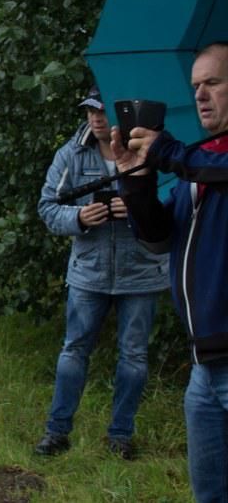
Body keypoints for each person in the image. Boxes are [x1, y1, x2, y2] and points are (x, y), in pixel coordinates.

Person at [113, 42, 228, 497]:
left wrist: (174, 155)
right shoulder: (201, 164)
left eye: (213, 83)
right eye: (195, 85)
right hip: (205, 366)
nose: (200, 94)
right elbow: (160, 237)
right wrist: (136, 182)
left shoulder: (204, 163)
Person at [34, 86, 168, 460]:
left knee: (134, 357)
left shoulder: (150, 151)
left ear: (123, 113)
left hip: (142, 271)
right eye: (89, 110)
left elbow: (173, 208)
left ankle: (120, 436)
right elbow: (47, 207)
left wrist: (140, 209)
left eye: (103, 110)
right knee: (74, 351)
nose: (95, 118)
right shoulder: (71, 155)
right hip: (88, 273)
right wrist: (77, 217)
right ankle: (56, 432)